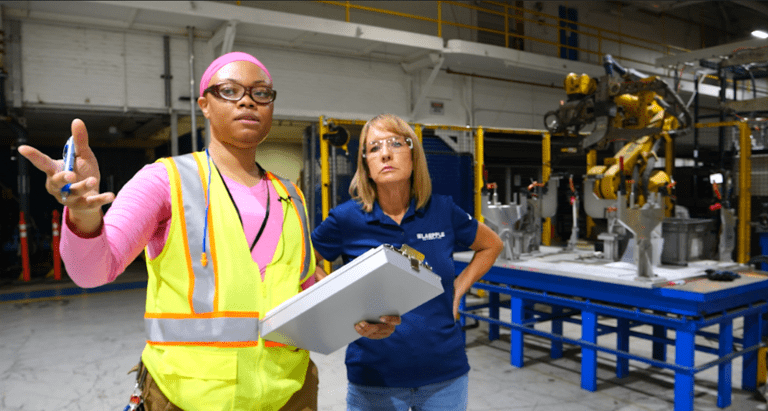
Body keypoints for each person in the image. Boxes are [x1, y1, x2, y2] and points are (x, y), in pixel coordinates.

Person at [19, 51, 319, 411]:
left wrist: (362, 312)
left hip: (289, 393)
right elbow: (92, 272)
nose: (247, 101)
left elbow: (304, 284)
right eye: (230, 90)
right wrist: (84, 217)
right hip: (185, 398)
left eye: (261, 93)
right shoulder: (166, 180)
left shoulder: (291, 196)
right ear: (204, 105)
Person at [311, 113, 503, 411]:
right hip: (374, 378)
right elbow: (304, 262)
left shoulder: (442, 210)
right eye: (374, 148)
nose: (385, 153)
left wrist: (458, 289)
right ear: (366, 165)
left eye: (395, 144)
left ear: (413, 154)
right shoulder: (346, 219)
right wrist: (341, 300)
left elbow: (491, 244)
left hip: (443, 374)